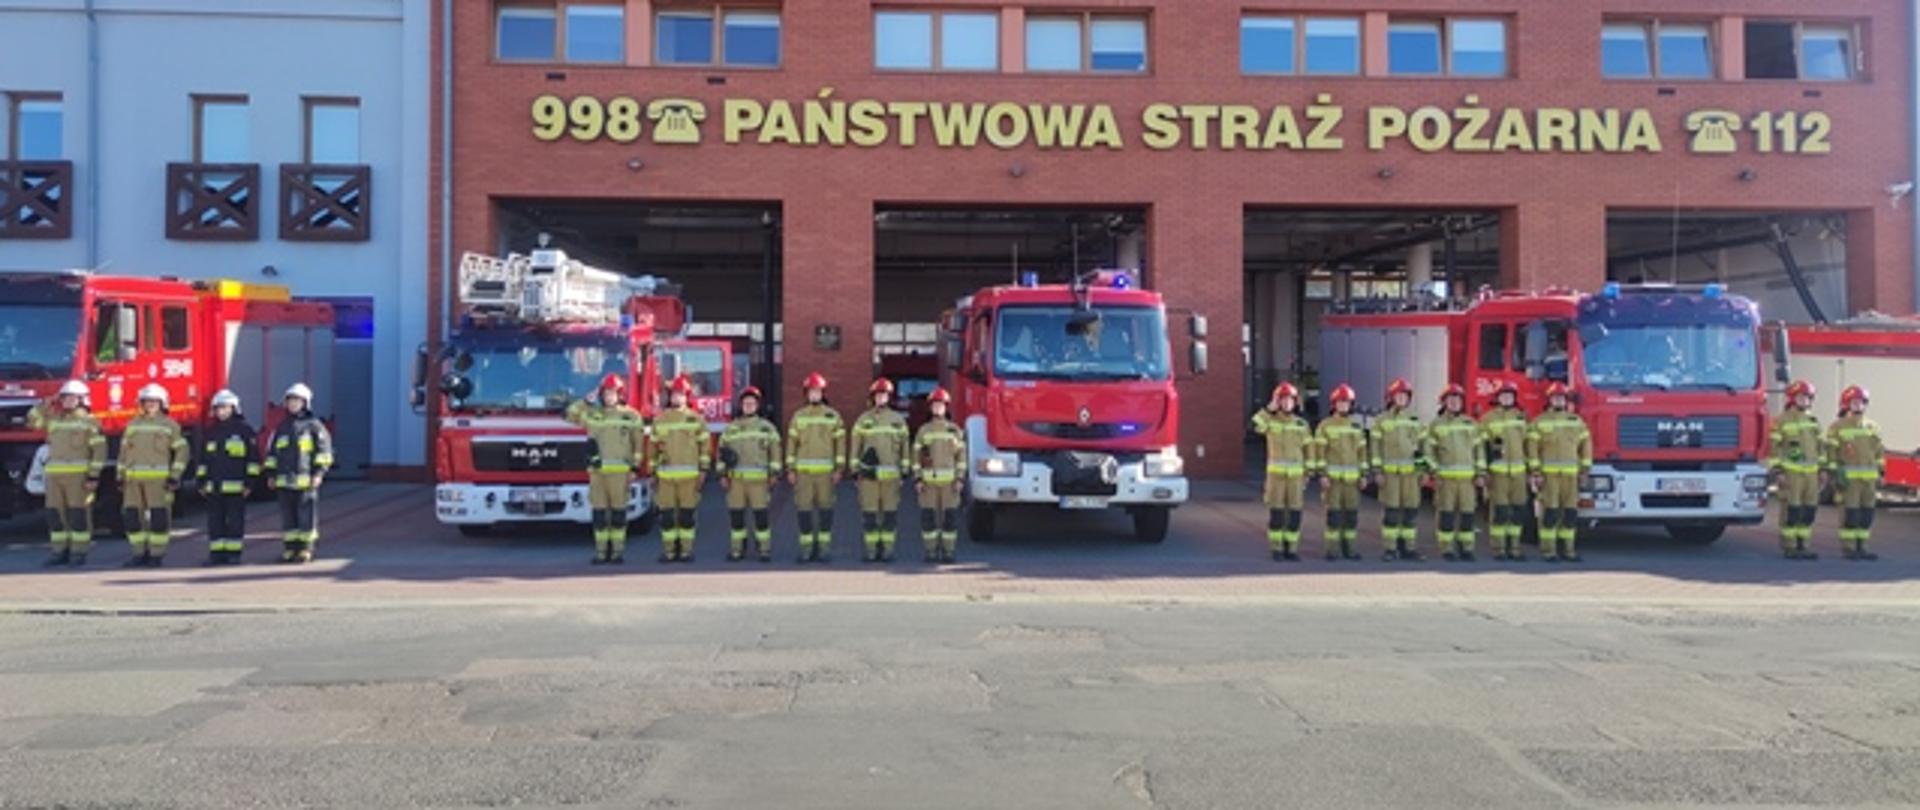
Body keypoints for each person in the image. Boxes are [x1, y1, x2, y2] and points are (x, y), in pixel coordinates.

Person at [565, 374, 646, 565]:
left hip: (620, 473)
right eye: (606, 393)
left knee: (618, 514)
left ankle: (617, 552)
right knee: (599, 514)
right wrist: (585, 401)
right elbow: (569, 415)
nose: (609, 397)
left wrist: (634, 469)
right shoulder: (593, 414)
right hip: (598, 473)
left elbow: (638, 445)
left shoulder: (631, 416)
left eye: (613, 393)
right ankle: (601, 553)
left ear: (620, 394)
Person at [28, 380, 105, 567]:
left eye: (72, 398)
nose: (68, 401)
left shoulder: (90, 422)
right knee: (55, 515)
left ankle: (79, 553)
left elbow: (99, 451)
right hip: (54, 478)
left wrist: (93, 475)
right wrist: (46, 403)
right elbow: (32, 422)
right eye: (65, 398)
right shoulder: (54, 420)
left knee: (78, 515)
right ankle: (59, 551)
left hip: (78, 478)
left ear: (82, 399)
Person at [118, 384, 190, 567]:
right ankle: (138, 554)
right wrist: (120, 475)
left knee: (159, 518)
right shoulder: (132, 425)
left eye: (154, 402)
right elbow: (124, 453)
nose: (150, 405)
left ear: (162, 403)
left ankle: (156, 555)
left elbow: (182, 451)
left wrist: (175, 476)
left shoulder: (170, 425)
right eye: (147, 402)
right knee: (132, 518)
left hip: (159, 481)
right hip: (133, 480)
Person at [264, 383, 333, 564]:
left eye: (297, 400)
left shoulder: (314, 427)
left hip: (306, 482)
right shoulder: (282, 428)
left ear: (305, 403)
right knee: (288, 518)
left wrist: (318, 473)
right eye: (290, 401)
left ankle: (305, 549)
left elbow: (324, 453)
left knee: (306, 517)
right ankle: (290, 549)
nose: (293, 404)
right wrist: (271, 474)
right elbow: (272, 453)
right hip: (284, 482)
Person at [850, 378, 913, 563]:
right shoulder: (863, 420)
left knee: (889, 516)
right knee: (869, 515)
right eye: (878, 395)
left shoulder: (898, 420)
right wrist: (855, 471)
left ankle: (887, 551)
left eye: (884, 395)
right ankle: (870, 551)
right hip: (869, 478)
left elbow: (905, 448)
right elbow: (856, 446)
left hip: (891, 479)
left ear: (889, 397)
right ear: (873, 397)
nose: (881, 398)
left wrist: (905, 471)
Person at [1527, 383, 1591, 563]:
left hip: (1571, 476)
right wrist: (1536, 472)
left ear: (1566, 401)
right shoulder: (1539, 422)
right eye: (1555, 398)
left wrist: (1585, 470)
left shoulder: (1576, 422)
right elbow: (1532, 449)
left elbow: (1586, 446)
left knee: (1570, 514)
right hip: (1548, 478)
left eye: (1561, 398)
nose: (1558, 400)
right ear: (1549, 400)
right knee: (1550, 513)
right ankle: (1549, 551)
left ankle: (1568, 550)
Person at [786, 372, 846, 563]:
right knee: (804, 511)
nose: (814, 395)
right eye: (811, 392)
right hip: (803, 475)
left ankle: (824, 550)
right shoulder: (798, 417)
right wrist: (790, 469)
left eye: (818, 392)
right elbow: (791, 444)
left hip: (826, 475)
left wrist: (839, 469)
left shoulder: (833, 416)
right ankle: (806, 550)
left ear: (823, 393)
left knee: (826, 512)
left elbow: (840, 445)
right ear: (806, 394)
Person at [195, 389, 259, 566]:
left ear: (234, 408)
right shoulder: (211, 432)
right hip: (214, 487)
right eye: (218, 408)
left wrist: (249, 483)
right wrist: (201, 480)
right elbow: (203, 460)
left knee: (235, 521)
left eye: (225, 408)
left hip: (237, 487)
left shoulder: (244, 431)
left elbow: (253, 460)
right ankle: (216, 555)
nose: (221, 412)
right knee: (215, 522)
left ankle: (233, 554)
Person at [717, 386, 780, 562]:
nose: (749, 406)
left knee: (761, 518)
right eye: (746, 403)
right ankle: (737, 550)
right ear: (741, 405)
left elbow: (775, 453)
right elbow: (721, 452)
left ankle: (764, 550)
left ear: (758, 405)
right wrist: (722, 474)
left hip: (759, 483)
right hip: (736, 482)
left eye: (752, 403)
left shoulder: (767, 428)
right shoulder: (731, 429)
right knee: (736, 518)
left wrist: (774, 473)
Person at [652, 374, 710, 563]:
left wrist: (703, 470)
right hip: (665, 477)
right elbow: (652, 447)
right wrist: (652, 471)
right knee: (667, 517)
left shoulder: (697, 420)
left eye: (680, 394)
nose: (677, 398)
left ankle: (686, 551)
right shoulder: (660, 420)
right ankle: (669, 551)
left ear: (687, 396)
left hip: (690, 477)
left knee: (687, 516)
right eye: (674, 395)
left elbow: (705, 447)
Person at [1252, 382, 1312, 562]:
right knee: (1277, 515)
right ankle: (1276, 549)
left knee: (1294, 515)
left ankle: (1291, 549)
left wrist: (1308, 473)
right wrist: (1268, 408)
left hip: (1296, 479)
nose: (1286, 404)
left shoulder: (1302, 425)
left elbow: (1309, 450)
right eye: (1282, 400)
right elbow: (1255, 425)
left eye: (1289, 401)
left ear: (1296, 403)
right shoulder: (1270, 422)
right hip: (1276, 478)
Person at [1424, 384, 1485, 562]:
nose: (1454, 403)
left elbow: (1479, 450)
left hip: (1468, 481)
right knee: (1446, 515)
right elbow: (1428, 452)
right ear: (1444, 403)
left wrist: (1480, 472)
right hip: (1446, 480)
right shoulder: (1436, 425)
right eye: (1450, 400)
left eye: (1458, 399)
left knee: (1468, 515)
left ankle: (1467, 549)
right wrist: (1434, 471)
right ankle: (1447, 549)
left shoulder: (1471, 424)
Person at [1826, 385, 1884, 561]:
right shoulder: (1837, 427)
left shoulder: (1873, 427)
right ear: (1846, 404)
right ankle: (1849, 548)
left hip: (1869, 482)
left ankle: (1863, 547)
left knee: (1866, 515)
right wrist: (1834, 474)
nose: (1858, 406)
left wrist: (1881, 473)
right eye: (1854, 402)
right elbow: (1831, 454)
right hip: (1849, 482)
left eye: (1861, 402)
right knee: (1850, 514)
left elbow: (1879, 453)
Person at [1371, 378, 1425, 561]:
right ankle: (1390, 549)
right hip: (1390, 474)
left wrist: (1422, 471)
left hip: (1411, 475)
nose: (1401, 399)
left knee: (1410, 512)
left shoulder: (1415, 420)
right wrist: (1377, 471)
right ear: (1391, 398)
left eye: (1405, 396)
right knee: (1392, 512)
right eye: (1398, 395)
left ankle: (1408, 548)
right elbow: (1375, 447)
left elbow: (1422, 448)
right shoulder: (1381, 420)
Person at [1769, 380, 1824, 560]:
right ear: (1792, 399)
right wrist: (1778, 471)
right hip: (1791, 475)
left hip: (1811, 475)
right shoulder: (1782, 421)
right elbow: (1774, 447)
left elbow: (1820, 448)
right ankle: (1790, 546)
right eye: (1801, 397)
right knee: (1791, 510)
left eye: (1808, 398)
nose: (1805, 401)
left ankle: (1804, 545)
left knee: (1808, 511)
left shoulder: (1813, 421)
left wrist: (1823, 470)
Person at [913, 387, 966, 563]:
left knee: (950, 520)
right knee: (928, 519)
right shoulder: (923, 431)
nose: (937, 409)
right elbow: (916, 458)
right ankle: (930, 551)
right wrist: (918, 479)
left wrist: (960, 478)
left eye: (941, 405)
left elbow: (961, 457)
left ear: (946, 407)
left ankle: (949, 552)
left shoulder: (955, 431)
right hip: (928, 484)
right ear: (930, 408)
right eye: (935, 405)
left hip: (950, 485)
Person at [1314, 384, 1366, 561]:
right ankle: (1332, 550)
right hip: (1333, 481)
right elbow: (1319, 452)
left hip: (1352, 482)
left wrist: (1364, 475)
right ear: (1333, 404)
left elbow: (1362, 453)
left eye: (1347, 403)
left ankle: (1350, 549)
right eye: (1340, 402)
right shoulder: (1325, 426)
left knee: (1351, 516)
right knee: (1334, 516)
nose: (1343, 406)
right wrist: (1322, 474)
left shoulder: (1356, 427)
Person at [1479, 381, 1531, 561]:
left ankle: (1515, 548)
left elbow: (1528, 445)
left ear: (1514, 398)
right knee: (1500, 511)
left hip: (1519, 473)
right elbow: (1482, 447)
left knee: (1518, 511)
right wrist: (1483, 471)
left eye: (1510, 395)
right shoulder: (1488, 418)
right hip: (1497, 473)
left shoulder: (1522, 418)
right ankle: (1499, 549)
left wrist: (1532, 470)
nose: (1507, 398)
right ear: (1497, 397)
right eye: (1503, 395)